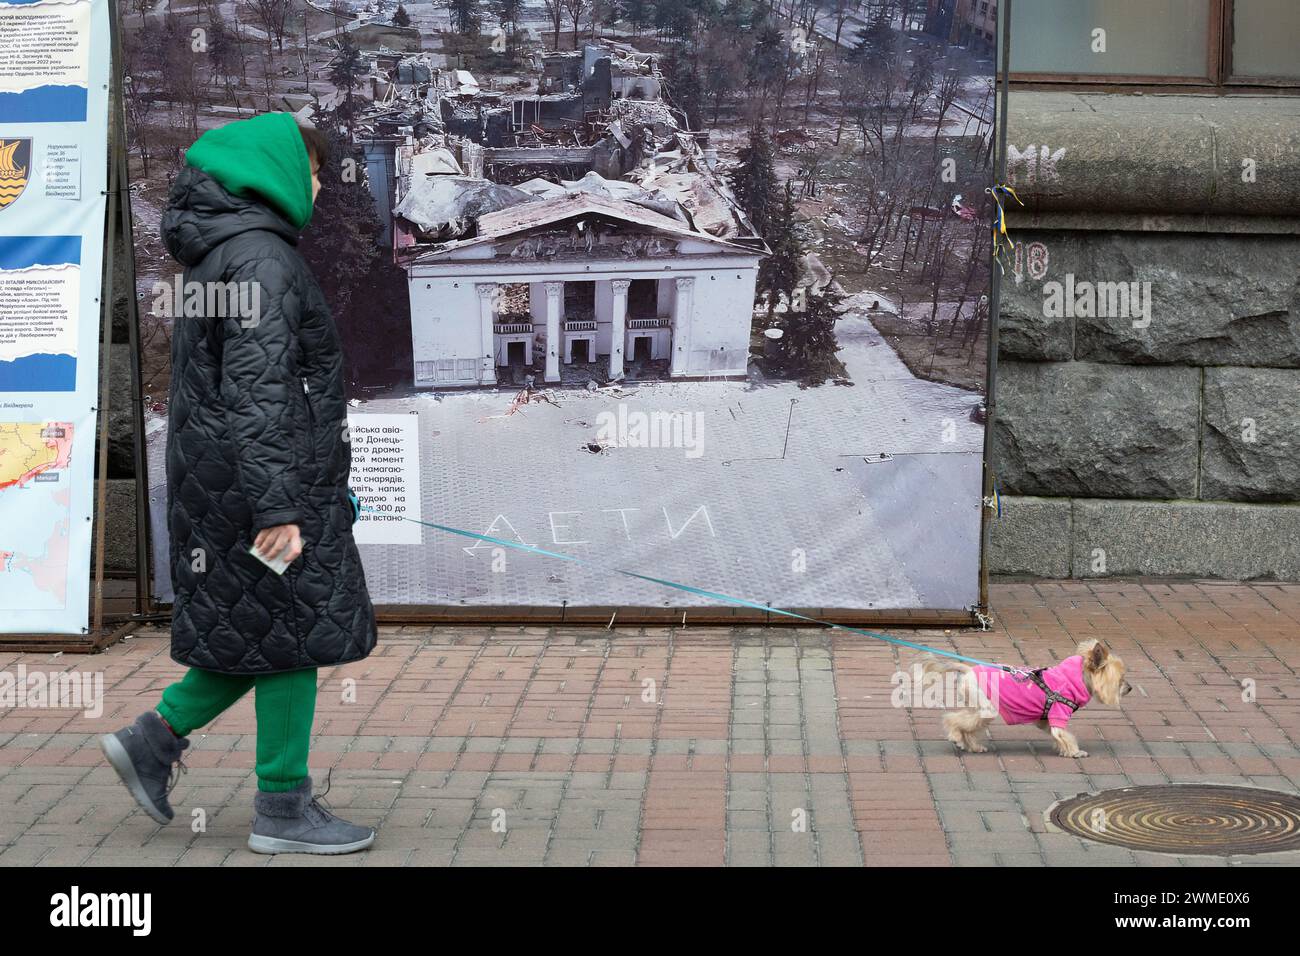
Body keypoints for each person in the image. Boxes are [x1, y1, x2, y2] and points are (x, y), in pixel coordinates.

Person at [99, 112, 379, 855]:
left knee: (262, 630)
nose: (320, 184)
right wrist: (280, 506)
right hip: (258, 486)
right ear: (273, 171)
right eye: (313, 169)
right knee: (290, 634)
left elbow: (219, 389)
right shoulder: (262, 259)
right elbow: (260, 393)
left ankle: (154, 739)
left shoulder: (215, 256)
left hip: (219, 479)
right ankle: (282, 807)